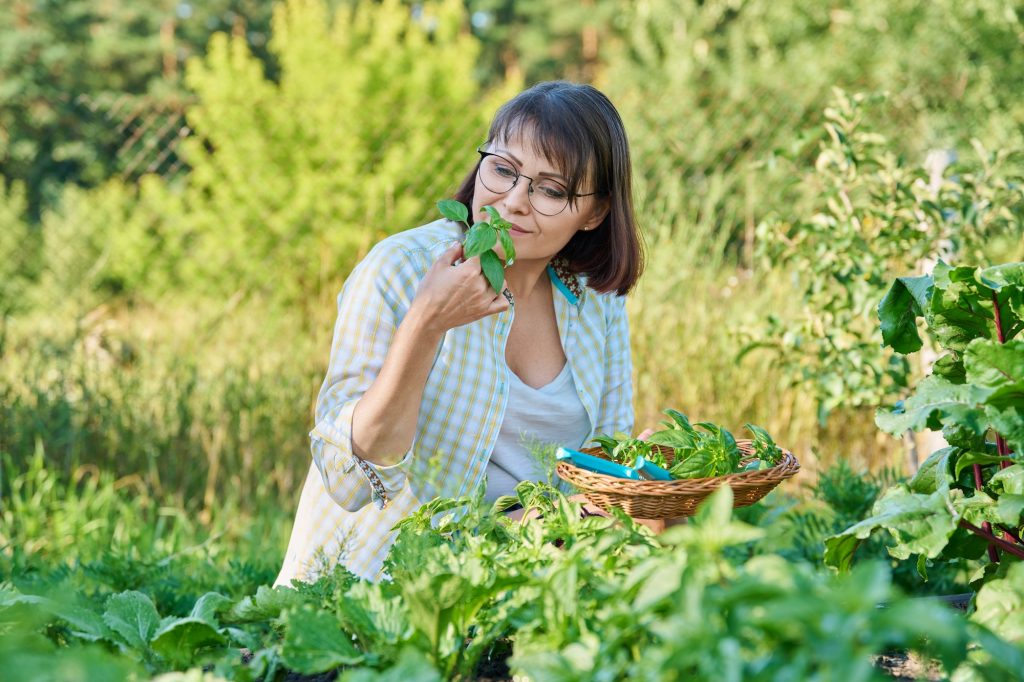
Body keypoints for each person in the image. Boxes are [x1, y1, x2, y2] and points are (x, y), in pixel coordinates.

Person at [274, 80, 644, 585]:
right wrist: (427, 322)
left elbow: (605, 458)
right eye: (503, 169)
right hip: (372, 589)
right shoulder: (399, 271)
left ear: (595, 213)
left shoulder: (595, 302)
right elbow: (350, 478)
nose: (513, 201)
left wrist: (630, 486)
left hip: (524, 582)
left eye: (551, 189)